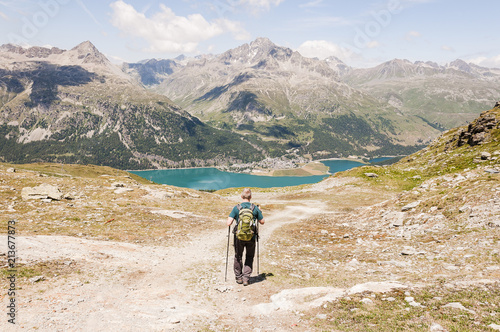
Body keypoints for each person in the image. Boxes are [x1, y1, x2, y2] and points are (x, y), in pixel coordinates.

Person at [227, 188, 265, 286]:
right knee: (249, 256)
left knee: (238, 256)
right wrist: (260, 212)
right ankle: (246, 279)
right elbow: (262, 222)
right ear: (250, 197)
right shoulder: (254, 208)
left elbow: (228, 223)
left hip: (238, 237)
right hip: (251, 237)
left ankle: (238, 277)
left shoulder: (237, 208)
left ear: (241, 196)